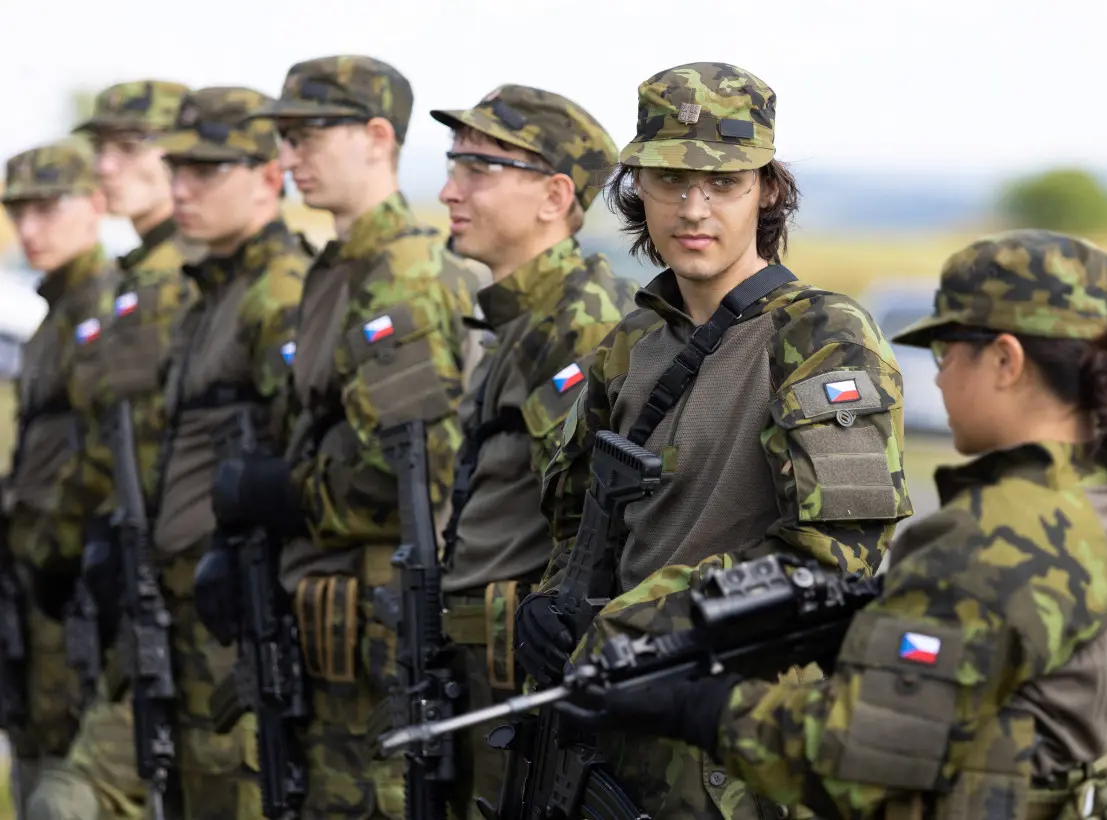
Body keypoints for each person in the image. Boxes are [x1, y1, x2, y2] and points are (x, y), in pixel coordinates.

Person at [575, 230, 1107, 819]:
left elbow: (863, 755)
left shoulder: (991, 534)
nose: (940, 376)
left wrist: (700, 706)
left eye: (949, 354)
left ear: (1006, 359)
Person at [519, 62, 912, 820]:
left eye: (724, 183)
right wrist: (552, 602)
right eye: (670, 180)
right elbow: (582, 520)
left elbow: (834, 559)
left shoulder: (821, 337)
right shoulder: (631, 342)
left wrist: (635, 620)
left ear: (766, 188)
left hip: (734, 737)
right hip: (610, 721)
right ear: (639, 188)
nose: (693, 209)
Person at [212, 55, 486, 819]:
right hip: (329, 623)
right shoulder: (341, 267)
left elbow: (404, 476)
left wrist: (276, 493)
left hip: (375, 637)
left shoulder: (396, 278)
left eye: (307, 136)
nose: (288, 156)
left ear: (375, 137)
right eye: (283, 139)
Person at [429, 84, 637, 814]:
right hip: (481, 665)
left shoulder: (575, 325)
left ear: (554, 196)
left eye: (478, 171)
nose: (450, 191)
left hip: (521, 676)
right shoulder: (521, 318)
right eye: (454, 166)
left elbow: (591, 526)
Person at [128, 85, 309, 820]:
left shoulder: (280, 290)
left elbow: (296, 458)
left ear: (269, 177)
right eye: (176, 169)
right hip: (189, 610)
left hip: (244, 615)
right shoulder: (212, 292)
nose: (181, 188)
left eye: (207, 170)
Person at [32, 77, 196, 820]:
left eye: (128, 149)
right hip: (130, 578)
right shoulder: (138, 279)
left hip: (187, 589)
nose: (105, 167)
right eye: (100, 150)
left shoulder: (188, 278)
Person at [1, 138, 119, 817]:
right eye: (21, 213)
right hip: (38, 579)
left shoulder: (99, 310)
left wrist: (57, 547)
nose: (31, 229)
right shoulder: (57, 314)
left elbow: (105, 450)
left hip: (73, 582)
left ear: (96, 206)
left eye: (48, 209)